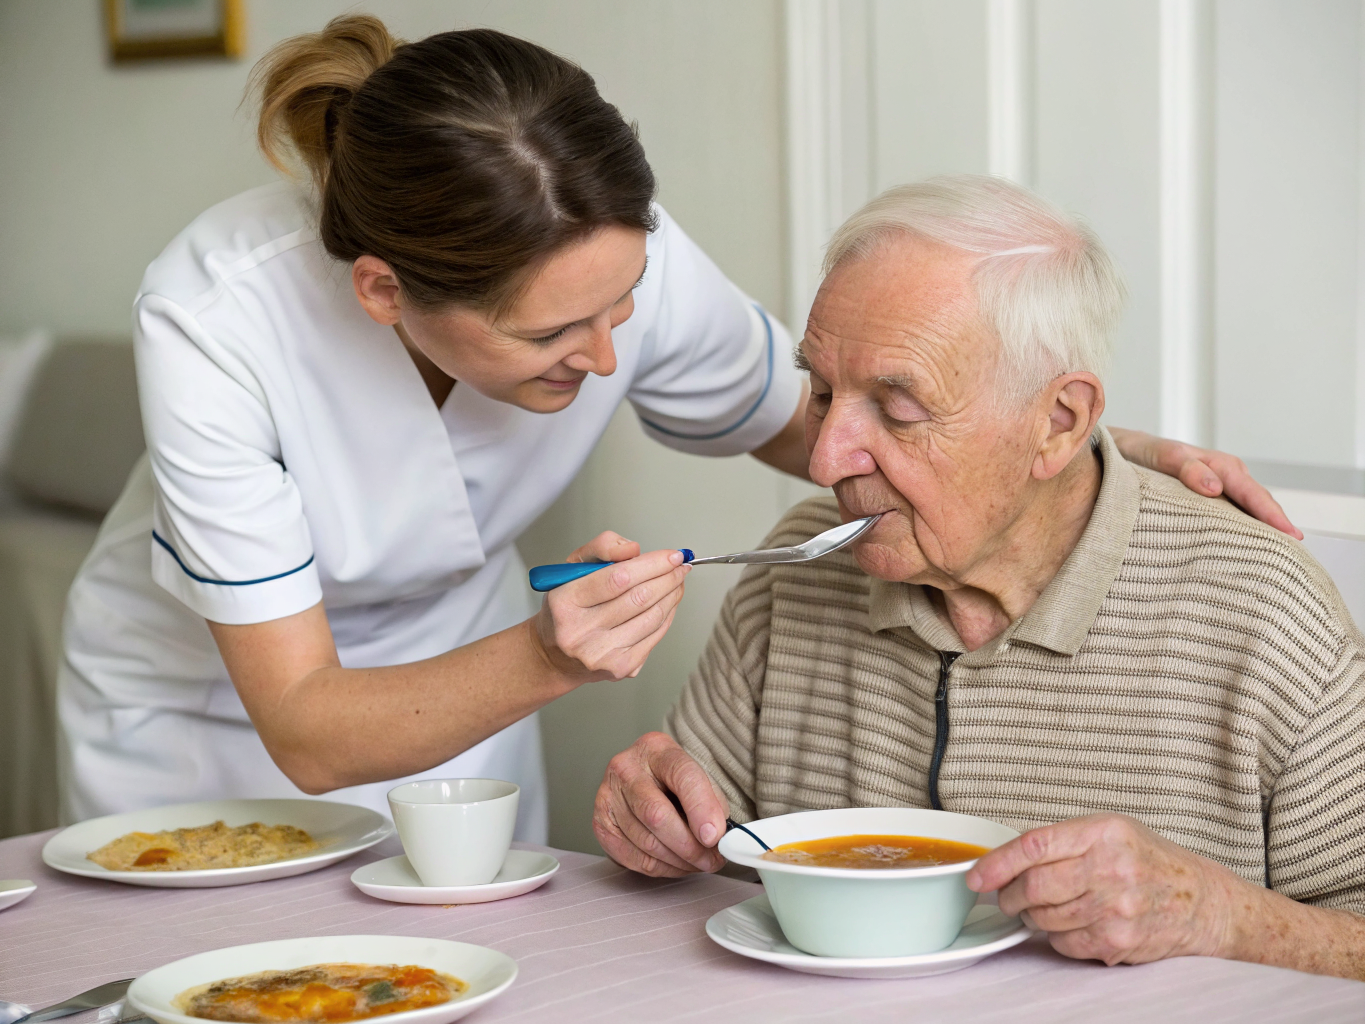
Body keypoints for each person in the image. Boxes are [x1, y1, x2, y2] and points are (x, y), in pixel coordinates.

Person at [57, 16, 1288, 840]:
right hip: (219, 715)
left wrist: (1072, 454)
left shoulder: (607, 248)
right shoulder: (216, 319)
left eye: (621, 311)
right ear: (386, 294)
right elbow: (310, 733)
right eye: (550, 342)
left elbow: (832, 428)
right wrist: (548, 658)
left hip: (459, 677)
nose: (605, 360)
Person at [594, 176, 1365, 979]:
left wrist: (1219, 916)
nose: (824, 460)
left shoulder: (1262, 613)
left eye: (897, 409)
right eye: (822, 392)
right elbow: (699, 863)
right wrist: (649, 818)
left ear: (1057, 422)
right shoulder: (793, 573)